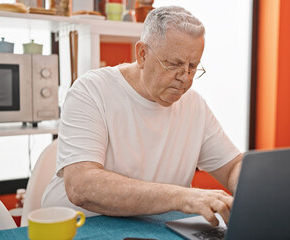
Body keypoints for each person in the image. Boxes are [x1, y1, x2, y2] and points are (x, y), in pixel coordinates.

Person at [42, 5, 242, 226]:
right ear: (142, 54)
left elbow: (233, 167)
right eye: (174, 64)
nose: (185, 78)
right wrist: (182, 197)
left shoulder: (194, 105)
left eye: (192, 66)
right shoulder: (91, 90)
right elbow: (81, 186)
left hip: (151, 225)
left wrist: (257, 192)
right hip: (77, 226)